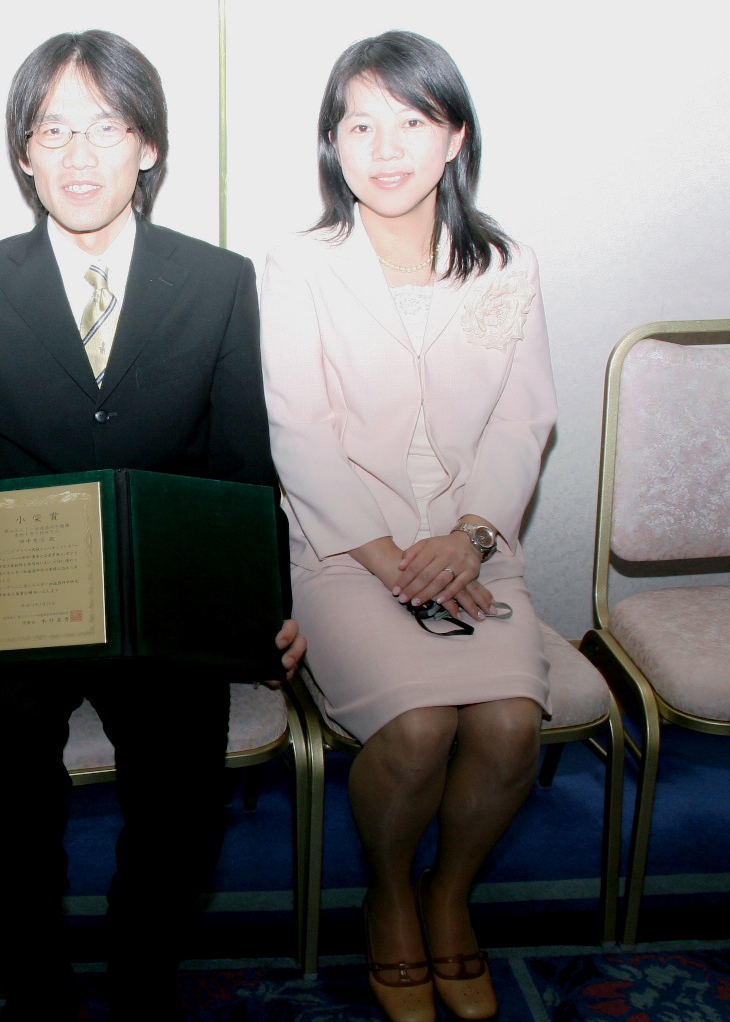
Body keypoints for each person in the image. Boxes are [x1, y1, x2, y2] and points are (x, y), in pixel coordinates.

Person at [0, 29, 305, 1022]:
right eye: (54, 131)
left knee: (183, 788)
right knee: (4, 783)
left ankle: (142, 974)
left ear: (148, 145)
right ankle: (37, 986)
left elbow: (241, 465)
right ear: (24, 154)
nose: (80, 155)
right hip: (20, 599)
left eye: (106, 127)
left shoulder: (219, 281)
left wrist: (263, 608)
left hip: (163, 598)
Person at [260, 30, 556, 1022]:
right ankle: (388, 893)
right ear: (332, 142)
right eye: (361, 126)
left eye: (413, 122)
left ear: (455, 136)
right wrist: (390, 558)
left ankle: (448, 892)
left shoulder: (506, 264)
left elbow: (523, 420)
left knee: (509, 726)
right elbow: (299, 432)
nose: (386, 149)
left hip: (474, 547)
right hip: (345, 552)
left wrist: (470, 537)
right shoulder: (298, 266)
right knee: (420, 727)